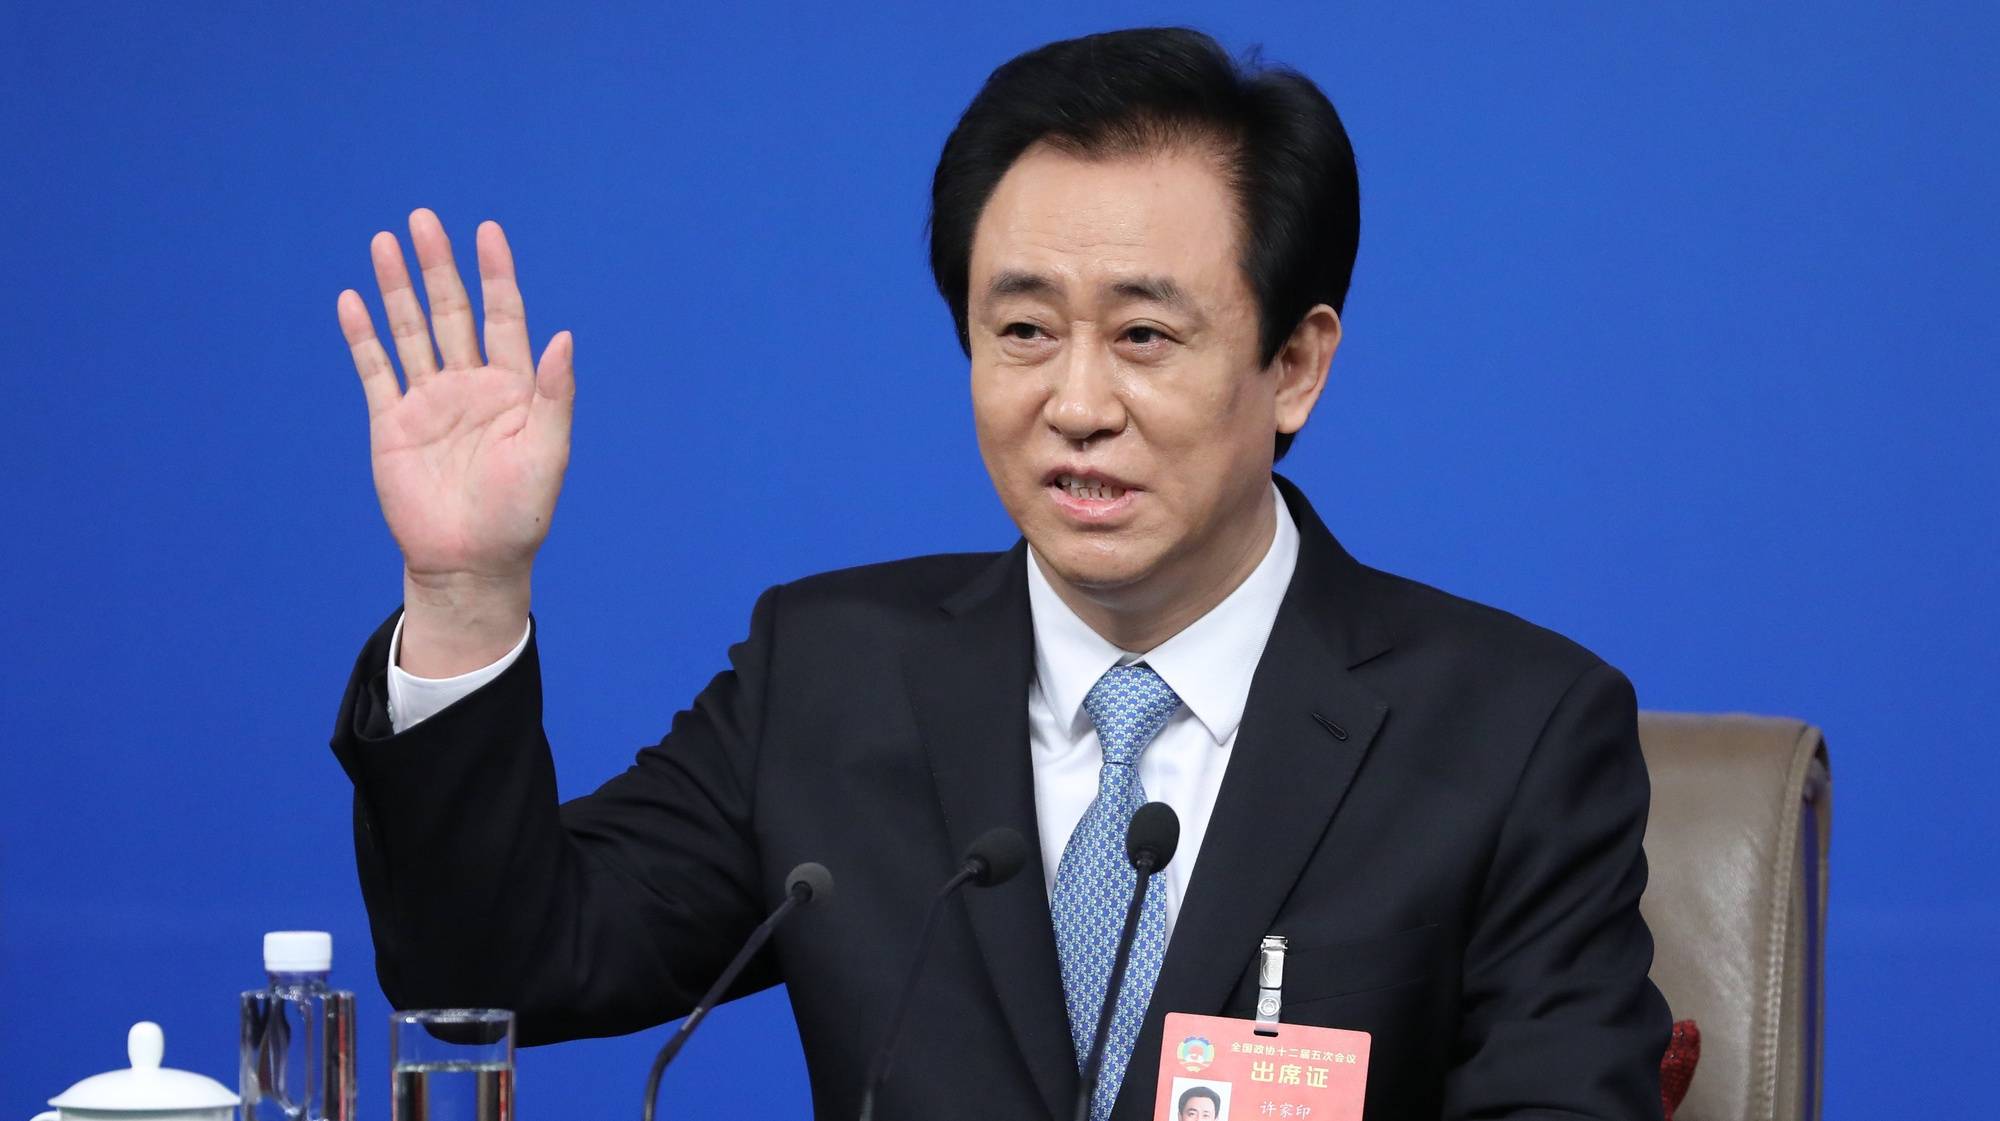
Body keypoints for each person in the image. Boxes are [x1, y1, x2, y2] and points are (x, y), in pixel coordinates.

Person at [329, 27, 1670, 1121]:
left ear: (1296, 366)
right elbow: (493, 966)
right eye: (1022, 329)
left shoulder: (1511, 733)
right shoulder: (833, 674)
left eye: (1145, 333)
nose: (1077, 402)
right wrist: (463, 591)